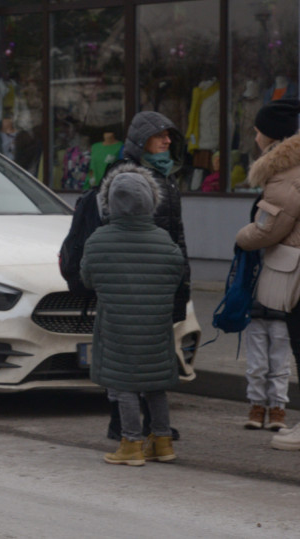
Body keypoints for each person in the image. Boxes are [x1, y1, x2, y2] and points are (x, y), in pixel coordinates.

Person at [81, 165, 186, 465]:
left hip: (116, 325)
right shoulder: (164, 241)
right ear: (151, 201)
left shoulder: (99, 240)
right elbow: (176, 276)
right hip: (156, 326)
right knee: (155, 386)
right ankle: (162, 442)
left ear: (110, 202)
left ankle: (131, 444)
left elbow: (88, 279)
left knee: (123, 384)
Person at [103, 110, 191, 441]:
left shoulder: (165, 175)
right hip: (132, 281)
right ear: (142, 142)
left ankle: (156, 427)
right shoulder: (126, 177)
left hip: (160, 278)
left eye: (170, 136)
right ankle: (123, 425)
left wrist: (182, 282)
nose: (168, 141)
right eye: (160, 136)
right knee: (126, 359)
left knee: (152, 354)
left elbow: (177, 234)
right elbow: (113, 232)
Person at [235, 99, 300, 438]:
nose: (254, 135)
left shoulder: (284, 175)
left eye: (258, 130)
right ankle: (269, 408)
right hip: (286, 275)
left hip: (289, 278)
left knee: (290, 347)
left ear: (272, 137)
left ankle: (284, 413)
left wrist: (241, 238)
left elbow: (268, 229)